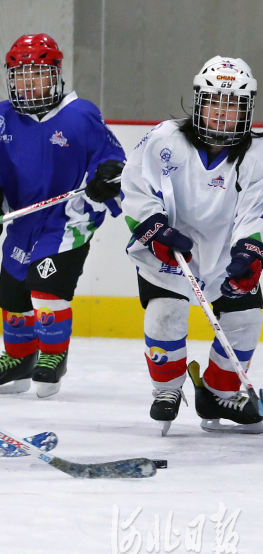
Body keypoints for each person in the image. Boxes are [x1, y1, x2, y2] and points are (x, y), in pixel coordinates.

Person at [0, 33, 125, 398]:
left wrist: (106, 177)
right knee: (13, 292)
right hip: (23, 219)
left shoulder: (80, 115)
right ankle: (19, 359)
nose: (29, 83)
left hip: (70, 216)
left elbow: (112, 161)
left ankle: (53, 355)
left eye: (38, 74)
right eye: (21, 75)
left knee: (45, 284)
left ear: (56, 74)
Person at [123, 56, 263, 435]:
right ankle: (166, 390)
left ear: (247, 110)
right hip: (169, 252)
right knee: (166, 313)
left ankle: (219, 394)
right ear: (199, 102)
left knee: (245, 320)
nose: (222, 114)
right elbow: (135, 187)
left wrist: (250, 252)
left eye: (233, 105)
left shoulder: (256, 155)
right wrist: (155, 229)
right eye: (215, 102)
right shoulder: (164, 138)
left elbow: (256, 211)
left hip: (223, 254)